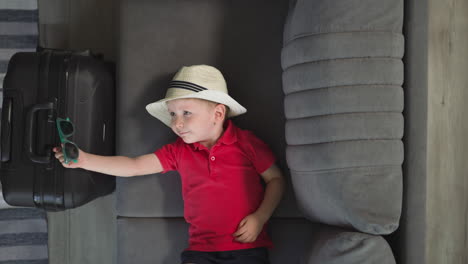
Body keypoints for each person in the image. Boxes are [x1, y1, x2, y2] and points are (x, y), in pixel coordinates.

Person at [53, 65, 285, 264]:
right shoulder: (179, 151)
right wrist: (84, 160)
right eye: (173, 114)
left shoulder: (246, 143)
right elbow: (134, 166)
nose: (177, 123)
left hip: (246, 249)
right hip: (201, 252)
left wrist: (260, 217)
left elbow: (275, 180)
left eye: (186, 113)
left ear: (218, 114)